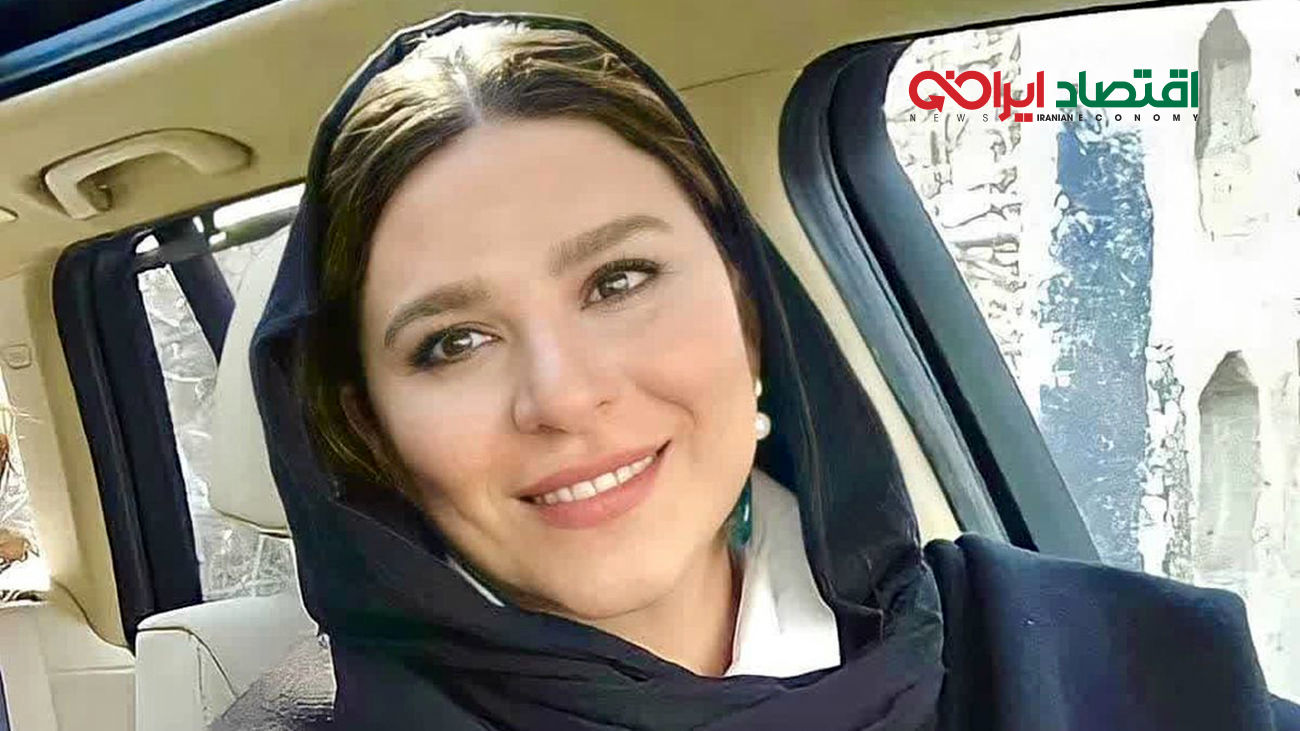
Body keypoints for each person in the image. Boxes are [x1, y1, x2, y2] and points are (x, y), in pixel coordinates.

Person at [237, 10, 1300, 730]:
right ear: (366, 425)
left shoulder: (1116, 666)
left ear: (751, 312)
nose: (560, 394)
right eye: (452, 342)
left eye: (618, 280)